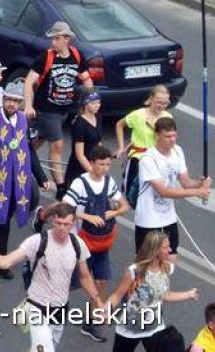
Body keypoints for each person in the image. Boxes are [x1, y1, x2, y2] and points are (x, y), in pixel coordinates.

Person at [0, 203, 104, 352]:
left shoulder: (77, 244)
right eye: (59, 223)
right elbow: (6, 261)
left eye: (66, 224)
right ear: (53, 220)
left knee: (49, 346)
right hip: (37, 305)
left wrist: (98, 302)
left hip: (60, 308)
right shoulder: (38, 241)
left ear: (73, 224)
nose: (62, 227)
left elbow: (85, 277)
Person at [0, 81, 49, 280]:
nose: (12, 104)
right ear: (3, 99)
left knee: (4, 220)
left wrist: (41, 177)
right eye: (9, 99)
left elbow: (29, 150)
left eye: (17, 101)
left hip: (18, 181)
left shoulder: (24, 121)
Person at [63, 144, 130, 343]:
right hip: (81, 242)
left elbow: (124, 205)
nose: (105, 169)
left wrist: (115, 212)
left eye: (108, 164)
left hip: (102, 242)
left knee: (100, 281)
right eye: (101, 164)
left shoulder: (109, 182)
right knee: (72, 283)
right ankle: (47, 308)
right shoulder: (80, 183)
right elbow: (65, 208)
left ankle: (91, 321)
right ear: (91, 164)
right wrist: (87, 216)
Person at [24, 21, 93, 200]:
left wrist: (89, 102)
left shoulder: (77, 56)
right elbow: (29, 81)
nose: (53, 42)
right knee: (57, 143)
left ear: (67, 39)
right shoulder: (46, 57)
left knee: (39, 139)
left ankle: (24, 156)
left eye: (57, 38)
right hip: (46, 108)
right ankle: (61, 187)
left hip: (64, 109)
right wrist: (29, 105)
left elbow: (87, 80)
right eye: (52, 39)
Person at [106, 231, 199, 351]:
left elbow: (166, 295)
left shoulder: (167, 268)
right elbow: (117, 296)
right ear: (155, 250)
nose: (170, 250)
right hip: (130, 328)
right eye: (166, 247)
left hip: (155, 328)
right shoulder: (135, 271)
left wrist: (188, 294)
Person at [134, 117, 211, 259]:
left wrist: (199, 183)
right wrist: (197, 192)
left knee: (171, 256)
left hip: (168, 217)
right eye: (168, 136)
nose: (172, 139)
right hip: (149, 218)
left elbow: (186, 182)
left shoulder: (177, 151)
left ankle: (164, 282)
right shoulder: (148, 159)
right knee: (146, 262)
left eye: (174, 135)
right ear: (157, 136)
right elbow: (163, 191)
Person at [115, 85, 173, 207]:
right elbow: (119, 125)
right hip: (138, 158)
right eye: (158, 102)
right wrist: (121, 147)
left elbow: (169, 139)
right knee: (130, 195)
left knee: (151, 196)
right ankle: (117, 209)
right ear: (150, 99)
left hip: (156, 160)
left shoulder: (168, 117)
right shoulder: (138, 114)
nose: (161, 106)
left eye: (165, 103)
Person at [68, 88, 103, 195]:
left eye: (98, 103)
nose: (97, 105)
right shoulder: (79, 124)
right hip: (80, 167)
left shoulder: (98, 117)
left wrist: (102, 159)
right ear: (85, 104)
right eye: (93, 103)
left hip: (94, 162)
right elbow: (79, 154)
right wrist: (92, 172)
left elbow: (99, 141)